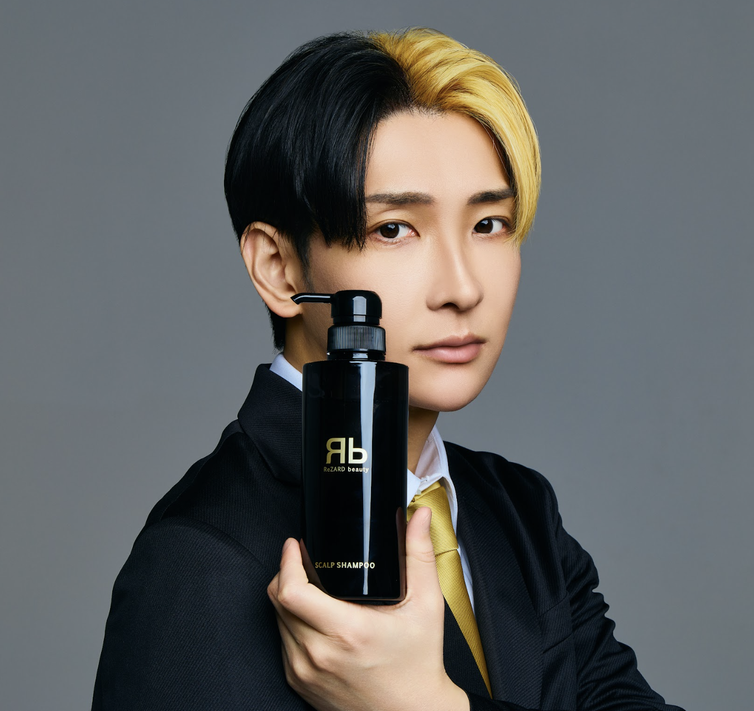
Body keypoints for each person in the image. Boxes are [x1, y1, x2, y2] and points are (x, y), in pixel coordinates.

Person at [92, 28, 684, 711]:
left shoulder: (518, 512)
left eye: (488, 224)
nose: (462, 287)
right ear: (279, 268)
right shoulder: (199, 559)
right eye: (394, 229)